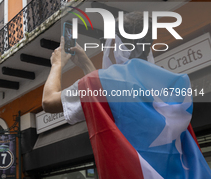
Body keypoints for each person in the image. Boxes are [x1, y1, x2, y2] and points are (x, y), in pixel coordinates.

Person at [42, 11, 211, 179]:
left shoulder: (105, 81)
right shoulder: (172, 81)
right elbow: (105, 100)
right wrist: (86, 64)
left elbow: (49, 101)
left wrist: (57, 64)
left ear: (119, 43)